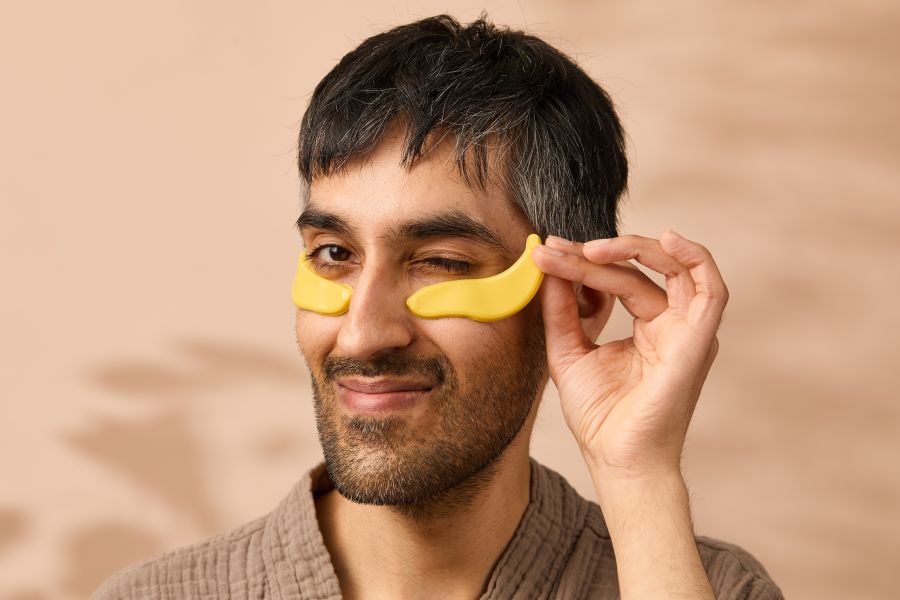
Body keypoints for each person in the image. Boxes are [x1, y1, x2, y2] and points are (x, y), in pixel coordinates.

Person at [93, 14, 783, 600]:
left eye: (442, 262)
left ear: (582, 297)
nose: (363, 333)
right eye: (334, 253)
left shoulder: (710, 586)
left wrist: (640, 476)